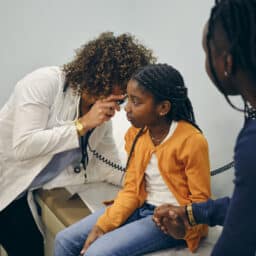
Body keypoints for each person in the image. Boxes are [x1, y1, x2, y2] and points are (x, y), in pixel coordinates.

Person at [0, 32, 155, 256]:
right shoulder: (44, 83)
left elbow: (107, 166)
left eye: (125, 97)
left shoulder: (101, 121)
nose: (121, 103)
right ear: (100, 75)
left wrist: (149, 182)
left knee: (30, 248)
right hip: (5, 173)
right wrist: (82, 124)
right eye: (120, 91)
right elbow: (24, 145)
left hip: (17, 191)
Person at [54, 63, 211, 256]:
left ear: (163, 108)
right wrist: (103, 226)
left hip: (168, 220)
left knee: (98, 253)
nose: (126, 108)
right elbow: (131, 190)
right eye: (128, 100)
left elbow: (201, 202)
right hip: (139, 206)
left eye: (136, 102)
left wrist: (184, 228)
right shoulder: (137, 135)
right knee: (64, 240)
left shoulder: (192, 141)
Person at [153, 0, 256, 255]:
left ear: (227, 63)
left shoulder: (252, 143)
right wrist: (194, 212)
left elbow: (236, 244)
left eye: (205, 53)